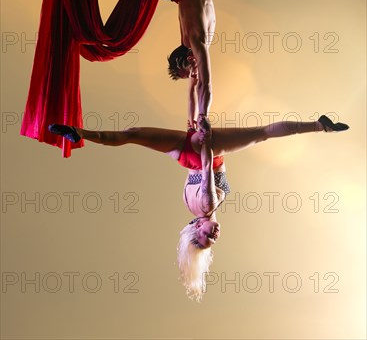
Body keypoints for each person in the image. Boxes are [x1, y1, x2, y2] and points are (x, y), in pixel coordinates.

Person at [48, 113, 349, 300]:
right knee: (132, 134)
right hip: (184, 154)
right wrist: (195, 136)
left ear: (196, 228)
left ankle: (318, 126)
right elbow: (198, 174)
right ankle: (81, 133)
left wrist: (203, 134)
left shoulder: (207, 204)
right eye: (213, 241)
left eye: (206, 237)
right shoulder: (195, 207)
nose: (214, 236)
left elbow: (206, 166)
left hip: (205, 153)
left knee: (261, 134)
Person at [27, 0, 215, 135]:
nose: (195, 76)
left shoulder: (200, 37)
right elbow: (204, 86)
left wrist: (191, 124)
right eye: (191, 72)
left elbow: (193, 90)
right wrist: (203, 117)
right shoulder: (197, 41)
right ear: (189, 59)